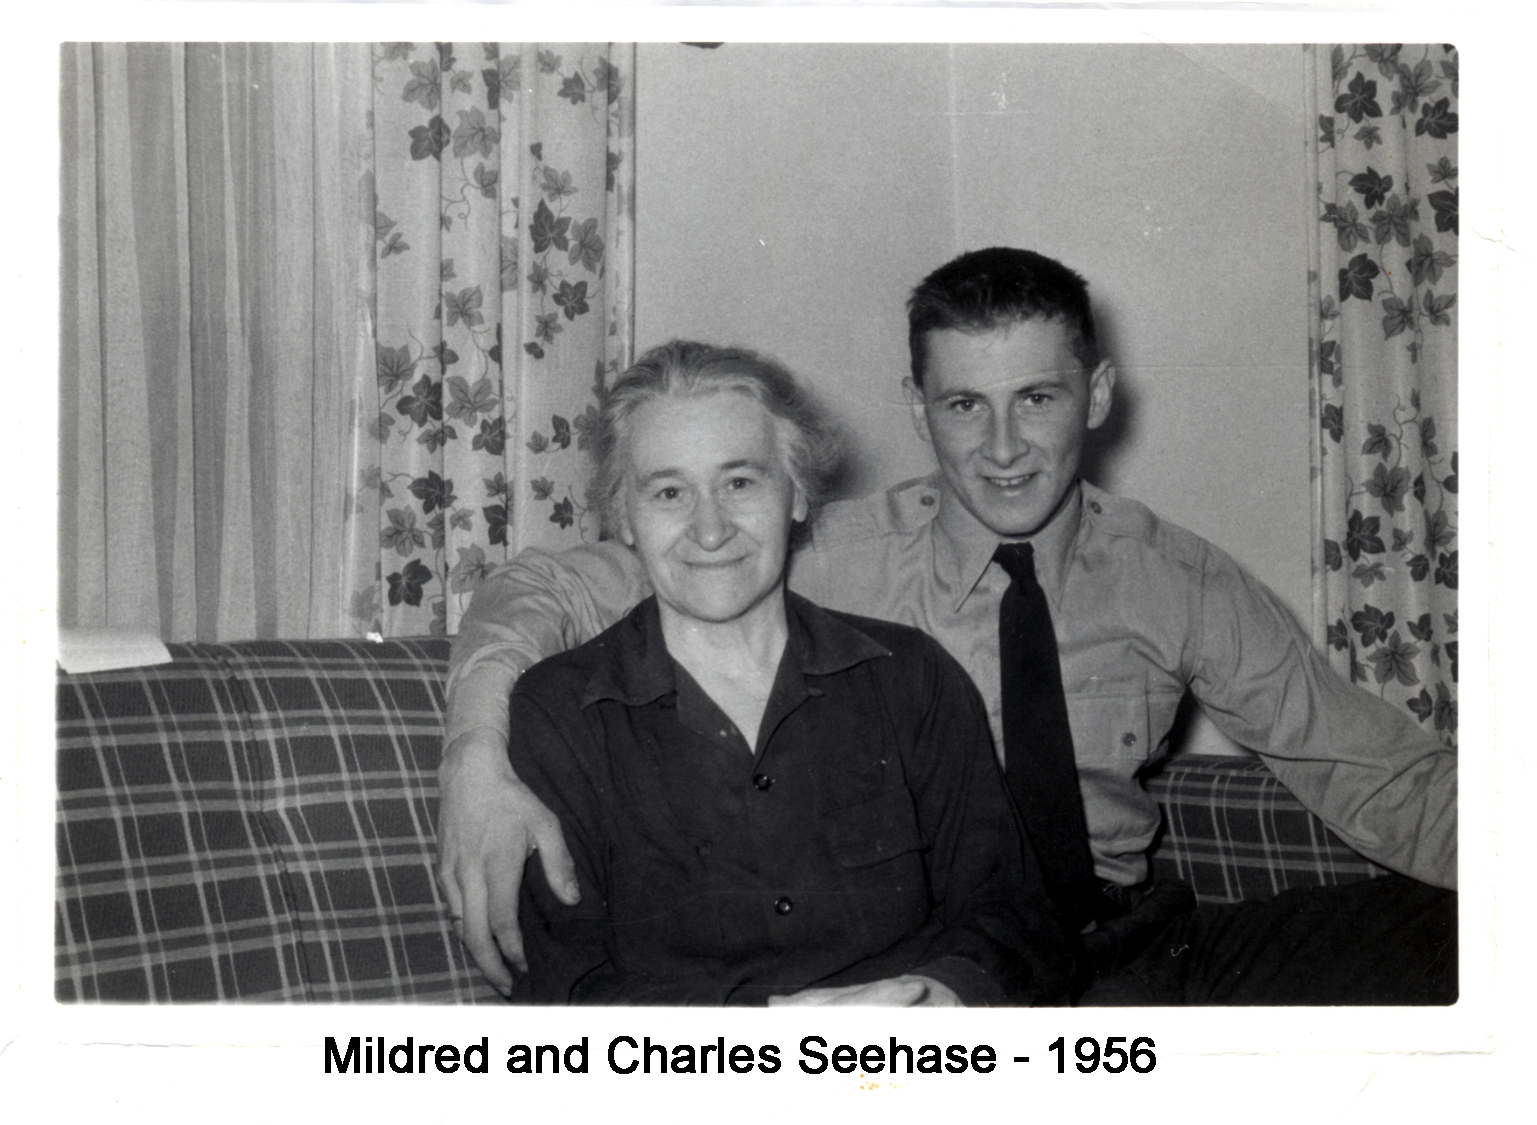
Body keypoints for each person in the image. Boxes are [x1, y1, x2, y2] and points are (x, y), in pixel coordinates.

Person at [438, 248, 1456, 1004]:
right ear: (916, 408)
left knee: (1460, 941)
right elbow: (543, 591)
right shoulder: (799, 553)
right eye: (965, 405)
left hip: (1132, 952)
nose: (1004, 447)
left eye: (1038, 398)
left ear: (1095, 396)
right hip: (939, 972)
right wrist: (477, 758)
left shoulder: (1175, 577)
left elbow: (1382, 774)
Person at [499, 339, 1071, 1005]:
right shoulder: (560, 711)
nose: (709, 528)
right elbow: (565, 988)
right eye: (668, 492)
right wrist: (768, 1033)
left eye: (740, 482)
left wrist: (933, 998)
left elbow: (1014, 917)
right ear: (622, 516)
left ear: (796, 493)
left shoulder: (911, 678)